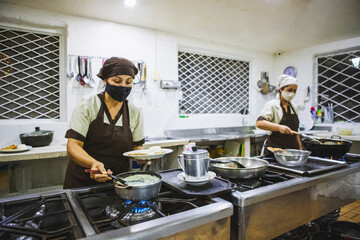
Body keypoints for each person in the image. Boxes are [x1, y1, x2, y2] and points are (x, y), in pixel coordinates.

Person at [63, 57, 145, 189]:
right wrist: (93, 163)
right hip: (83, 183)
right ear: (105, 79)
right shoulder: (88, 105)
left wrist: (143, 157)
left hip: (119, 183)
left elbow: (137, 147)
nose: (123, 86)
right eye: (117, 81)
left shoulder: (135, 112)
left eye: (128, 82)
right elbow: (73, 146)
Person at [256, 74, 303, 152]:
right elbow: (259, 123)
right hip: (275, 151)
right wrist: (279, 128)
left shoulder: (294, 107)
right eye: (289, 90)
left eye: (295, 91)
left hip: (292, 151)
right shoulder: (272, 105)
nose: (292, 93)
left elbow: (296, 131)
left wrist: (301, 149)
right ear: (281, 89)